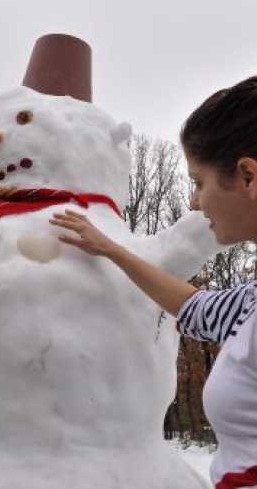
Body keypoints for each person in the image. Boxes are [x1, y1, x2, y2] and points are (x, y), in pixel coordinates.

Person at [50, 76, 257, 489]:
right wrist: (113, 251)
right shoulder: (250, 303)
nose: (195, 202)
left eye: (199, 182)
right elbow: (195, 308)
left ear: (248, 176)